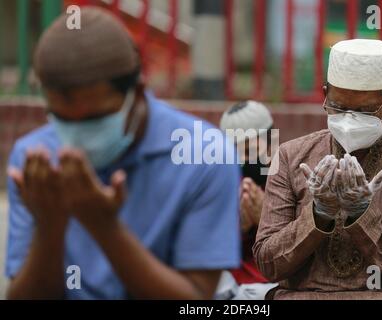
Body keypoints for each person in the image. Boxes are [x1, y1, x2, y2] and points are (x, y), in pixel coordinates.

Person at [5, 7, 241, 300]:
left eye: (95, 119)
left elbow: (195, 299)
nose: (77, 136)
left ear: (138, 94)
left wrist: (104, 226)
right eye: (62, 119)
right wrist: (50, 228)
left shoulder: (204, 155)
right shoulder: (33, 161)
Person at [254, 39, 382, 300]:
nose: (348, 119)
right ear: (325, 95)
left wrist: (363, 216)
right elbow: (268, 265)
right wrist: (318, 214)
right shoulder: (292, 157)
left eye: (364, 111)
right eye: (338, 107)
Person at [215, 101, 277, 300]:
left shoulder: (292, 174)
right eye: (239, 148)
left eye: (253, 144)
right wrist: (239, 228)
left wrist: (265, 219)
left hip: (281, 282)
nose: (248, 154)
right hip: (233, 286)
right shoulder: (220, 183)